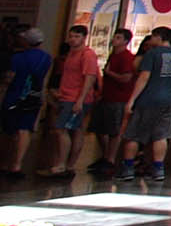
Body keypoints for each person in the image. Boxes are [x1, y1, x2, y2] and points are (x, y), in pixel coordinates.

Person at [119, 28, 171, 181]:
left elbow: (144, 77)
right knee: (161, 135)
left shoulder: (152, 54)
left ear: (159, 37)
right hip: (168, 100)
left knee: (134, 134)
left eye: (152, 37)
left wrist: (132, 100)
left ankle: (128, 168)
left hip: (148, 99)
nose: (150, 41)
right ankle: (158, 169)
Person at [41, 24, 100, 179]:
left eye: (77, 37)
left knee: (62, 129)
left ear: (84, 38)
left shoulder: (87, 55)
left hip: (75, 98)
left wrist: (80, 100)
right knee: (75, 130)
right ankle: (68, 165)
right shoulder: (71, 54)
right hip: (67, 96)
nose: (73, 40)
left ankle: (62, 165)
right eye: (71, 36)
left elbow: (90, 77)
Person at [2, 27, 52, 181]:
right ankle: (17, 164)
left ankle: (5, 163)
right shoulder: (46, 58)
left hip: (15, 95)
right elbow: (44, 79)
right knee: (25, 130)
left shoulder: (17, 58)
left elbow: (10, 77)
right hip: (33, 96)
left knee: (9, 131)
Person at [87, 28, 135, 175]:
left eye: (119, 37)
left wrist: (109, 73)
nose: (114, 40)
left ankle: (111, 159)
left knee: (114, 130)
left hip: (119, 98)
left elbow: (126, 77)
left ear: (126, 41)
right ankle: (106, 155)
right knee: (100, 128)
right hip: (107, 96)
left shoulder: (126, 57)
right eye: (115, 37)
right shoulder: (113, 55)